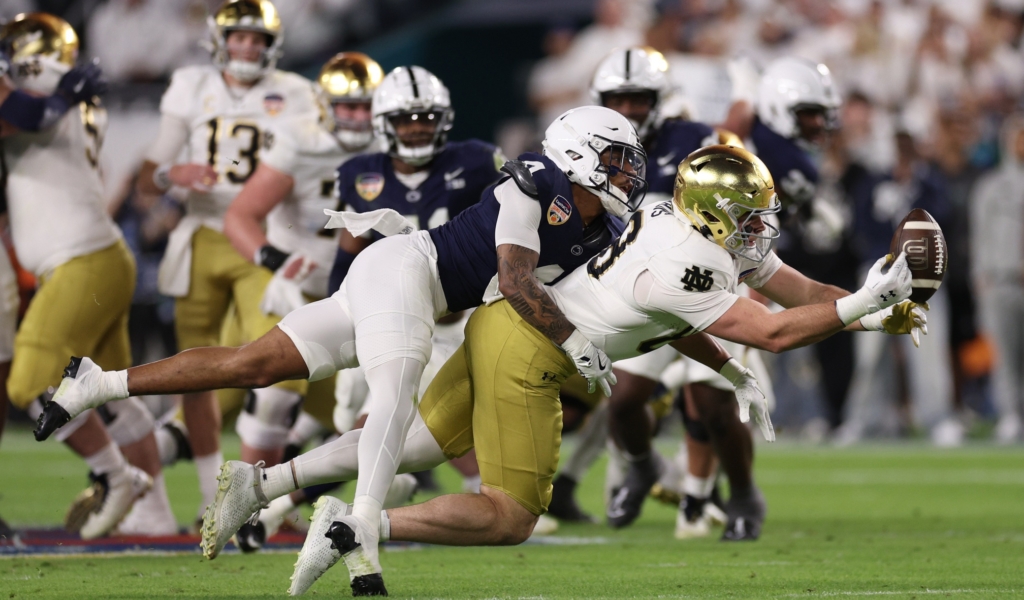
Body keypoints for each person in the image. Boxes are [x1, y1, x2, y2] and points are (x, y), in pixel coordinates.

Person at [205, 144, 916, 598]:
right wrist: (866, 303)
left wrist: (880, 308)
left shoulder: (694, 234)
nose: (760, 228)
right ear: (711, 215)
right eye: (747, 216)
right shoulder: (687, 261)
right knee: (510, 515)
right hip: (534, 349)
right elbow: (775, 331)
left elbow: (797, 294)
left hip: (503, 326)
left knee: (417, 443)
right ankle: (357, 525)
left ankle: (265, 483)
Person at [37, 105, 642, 591]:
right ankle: (363, 538)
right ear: (576, 153)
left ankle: (102, 384)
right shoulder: (536, 182)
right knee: (393, 399)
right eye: (615, 160)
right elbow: (514, 279)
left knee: (255, 364)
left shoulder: (603, 229)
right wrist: (573, 341)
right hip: (408, 270)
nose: (626, 174)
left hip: (406, 286)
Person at [132, 0, 318, 521]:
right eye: (240, 37)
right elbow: (148, 177)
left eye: (258, 39)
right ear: (220, 40)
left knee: (278, 363)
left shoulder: (296, 92)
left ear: (272, 45)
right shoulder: (191, 84)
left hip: (262, 235)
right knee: (194, 375)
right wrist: (174, 174)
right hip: (202, 236)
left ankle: (258, 496)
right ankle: (212, 496)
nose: (248, 47)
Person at [2, 13, 175, 537]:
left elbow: (18, 115)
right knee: (109, 393)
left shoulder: (39, 83)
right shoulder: (73, 91)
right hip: (103, 256)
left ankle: (116, 477)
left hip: (79, 260)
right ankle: (155, 510)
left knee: (30, 382)